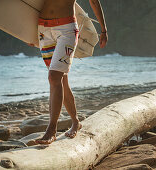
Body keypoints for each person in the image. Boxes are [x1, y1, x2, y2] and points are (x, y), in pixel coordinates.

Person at [30, 0, 108, 144]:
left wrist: (103, 30)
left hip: (66, 30)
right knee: (61, 79)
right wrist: (27, 33)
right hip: (43, 29)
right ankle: (75, 122)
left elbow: (94, 2)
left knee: (54, 77)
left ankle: (51, 129)